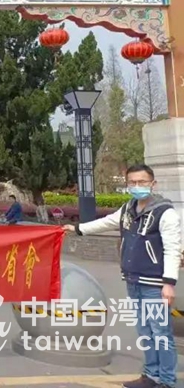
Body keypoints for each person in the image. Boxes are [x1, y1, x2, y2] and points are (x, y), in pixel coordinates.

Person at [63, 164, 180, 388]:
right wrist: (77, 229)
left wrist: (168, 283)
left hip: (154, 285)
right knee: (145, 330)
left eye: (142, 182)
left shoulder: (165, 213)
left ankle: (167, 381)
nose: (137, 187)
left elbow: (172, 249)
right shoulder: (128, 209)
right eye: (133, 183)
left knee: (160, 333)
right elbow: (106, 222)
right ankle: (151, 375)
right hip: (133, 281)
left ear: (153, 184)